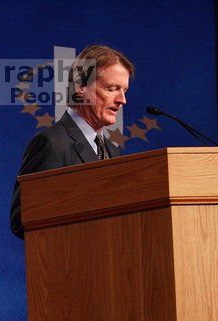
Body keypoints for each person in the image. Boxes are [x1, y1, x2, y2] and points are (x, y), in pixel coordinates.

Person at [10, 45, 135, 238]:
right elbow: (22, 220)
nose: (122, 100)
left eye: (124, 90)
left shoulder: (113, 151)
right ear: (81, 88)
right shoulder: (52, 143)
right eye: (112, 89)